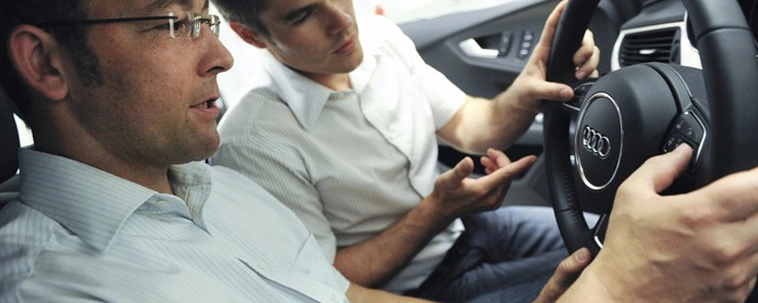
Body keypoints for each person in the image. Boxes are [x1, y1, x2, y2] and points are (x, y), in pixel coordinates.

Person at [0, 0, 589, 302]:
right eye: (173, 23)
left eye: (205, 19)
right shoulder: (58, 285)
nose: (221, 58)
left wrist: (528, 93)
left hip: (467, 235)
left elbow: (342, 296)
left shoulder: (215, 190)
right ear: (48, 63)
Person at [209, 0, 599, 301]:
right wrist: (437, 209)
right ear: (251, 36)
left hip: (470, 228)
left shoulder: (380, 38)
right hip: (417, 287)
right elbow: (325, 282)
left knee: (608, 236)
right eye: (304, 15)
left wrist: (531, 84)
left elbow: (468, 122)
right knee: (610, 272)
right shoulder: (252, 142)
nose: (342, 20)